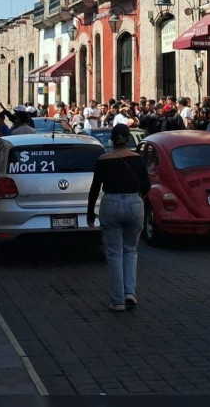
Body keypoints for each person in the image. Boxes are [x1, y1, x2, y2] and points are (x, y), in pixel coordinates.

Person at [87, 124, 151, 312]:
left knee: (114, 254)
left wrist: (90, 212)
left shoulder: (103, 160)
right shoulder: (138, 160)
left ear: (111, 140)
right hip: (134, 203)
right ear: (128, 138)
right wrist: (139, 203)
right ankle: (130, 292)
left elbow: (94, 188)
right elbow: (146, 187)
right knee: (131, 250)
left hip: (111, 203)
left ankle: (117, 300)